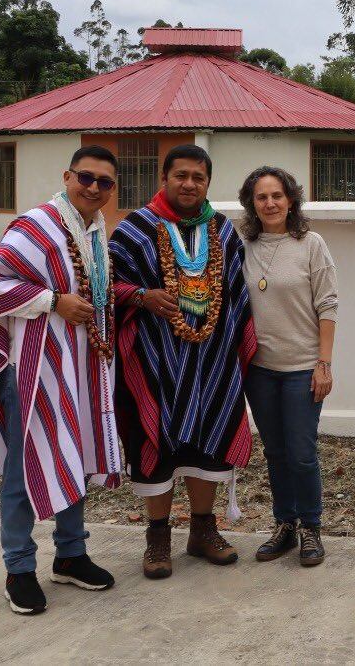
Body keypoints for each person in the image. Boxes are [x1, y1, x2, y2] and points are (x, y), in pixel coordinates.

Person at [0, 145, 125, 615]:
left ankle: (71, 555)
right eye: (86, 178)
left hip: (79, 368)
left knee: (73, 456)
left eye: (104, 183)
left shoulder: (95, 230)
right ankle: (18, 567)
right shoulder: (36, 226)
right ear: (67, 175)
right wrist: (53, 301)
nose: (94, 188)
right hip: (33, 369)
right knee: (22, 464)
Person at [109, 144, 257, 579]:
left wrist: (236, 346)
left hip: (212, 360)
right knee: (157, 442)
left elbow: (237, 293)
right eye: (181, 176)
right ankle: (157, 537)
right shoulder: (135, 229)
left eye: (198, 177)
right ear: (164, 178)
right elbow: (106, 284)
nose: (189, 184)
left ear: (207, 182)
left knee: (209, 440)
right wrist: (140, 296)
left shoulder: (223, 231)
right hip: (154, 361)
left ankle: (202, 531)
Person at [239, 166, 338, 567]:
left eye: (277, 195)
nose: (270, 203)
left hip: (302, 368)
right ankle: (285, 525)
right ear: (253, 203)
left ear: (291, 200)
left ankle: (311, 527)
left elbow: (328, 305)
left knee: (301, 452)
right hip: (259, 370)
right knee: (276, 453)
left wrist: (323, 364)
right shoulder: (242, 245)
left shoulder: (311, 244)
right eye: (262, 197)